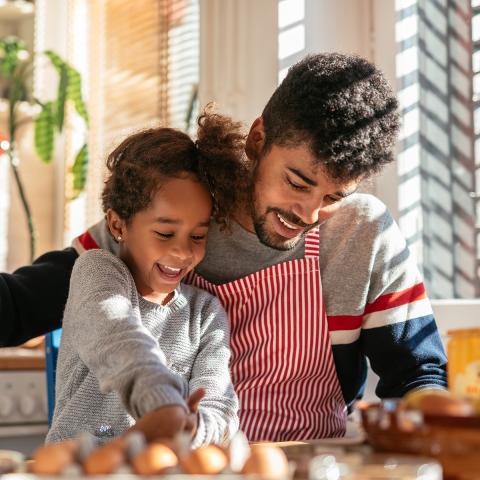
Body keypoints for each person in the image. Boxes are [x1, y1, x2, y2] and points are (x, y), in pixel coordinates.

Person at [1, 53, 447, 442]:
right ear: (258, 139)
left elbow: (418, 374)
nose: (308, 214)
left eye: (333, 198)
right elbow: (18, 307)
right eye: (296, 182)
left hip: (308, 461)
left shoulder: (362, 233)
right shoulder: (176, 215)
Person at [46, 111, 242, 446]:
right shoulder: (96, 273)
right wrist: (162, 403)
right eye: (165, 233)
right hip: (80, 469)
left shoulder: (205, 314)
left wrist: (195, 427)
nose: (183, 253)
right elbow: (120, 340)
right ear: (118, 225)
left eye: (197, 236)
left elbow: (220, 402)